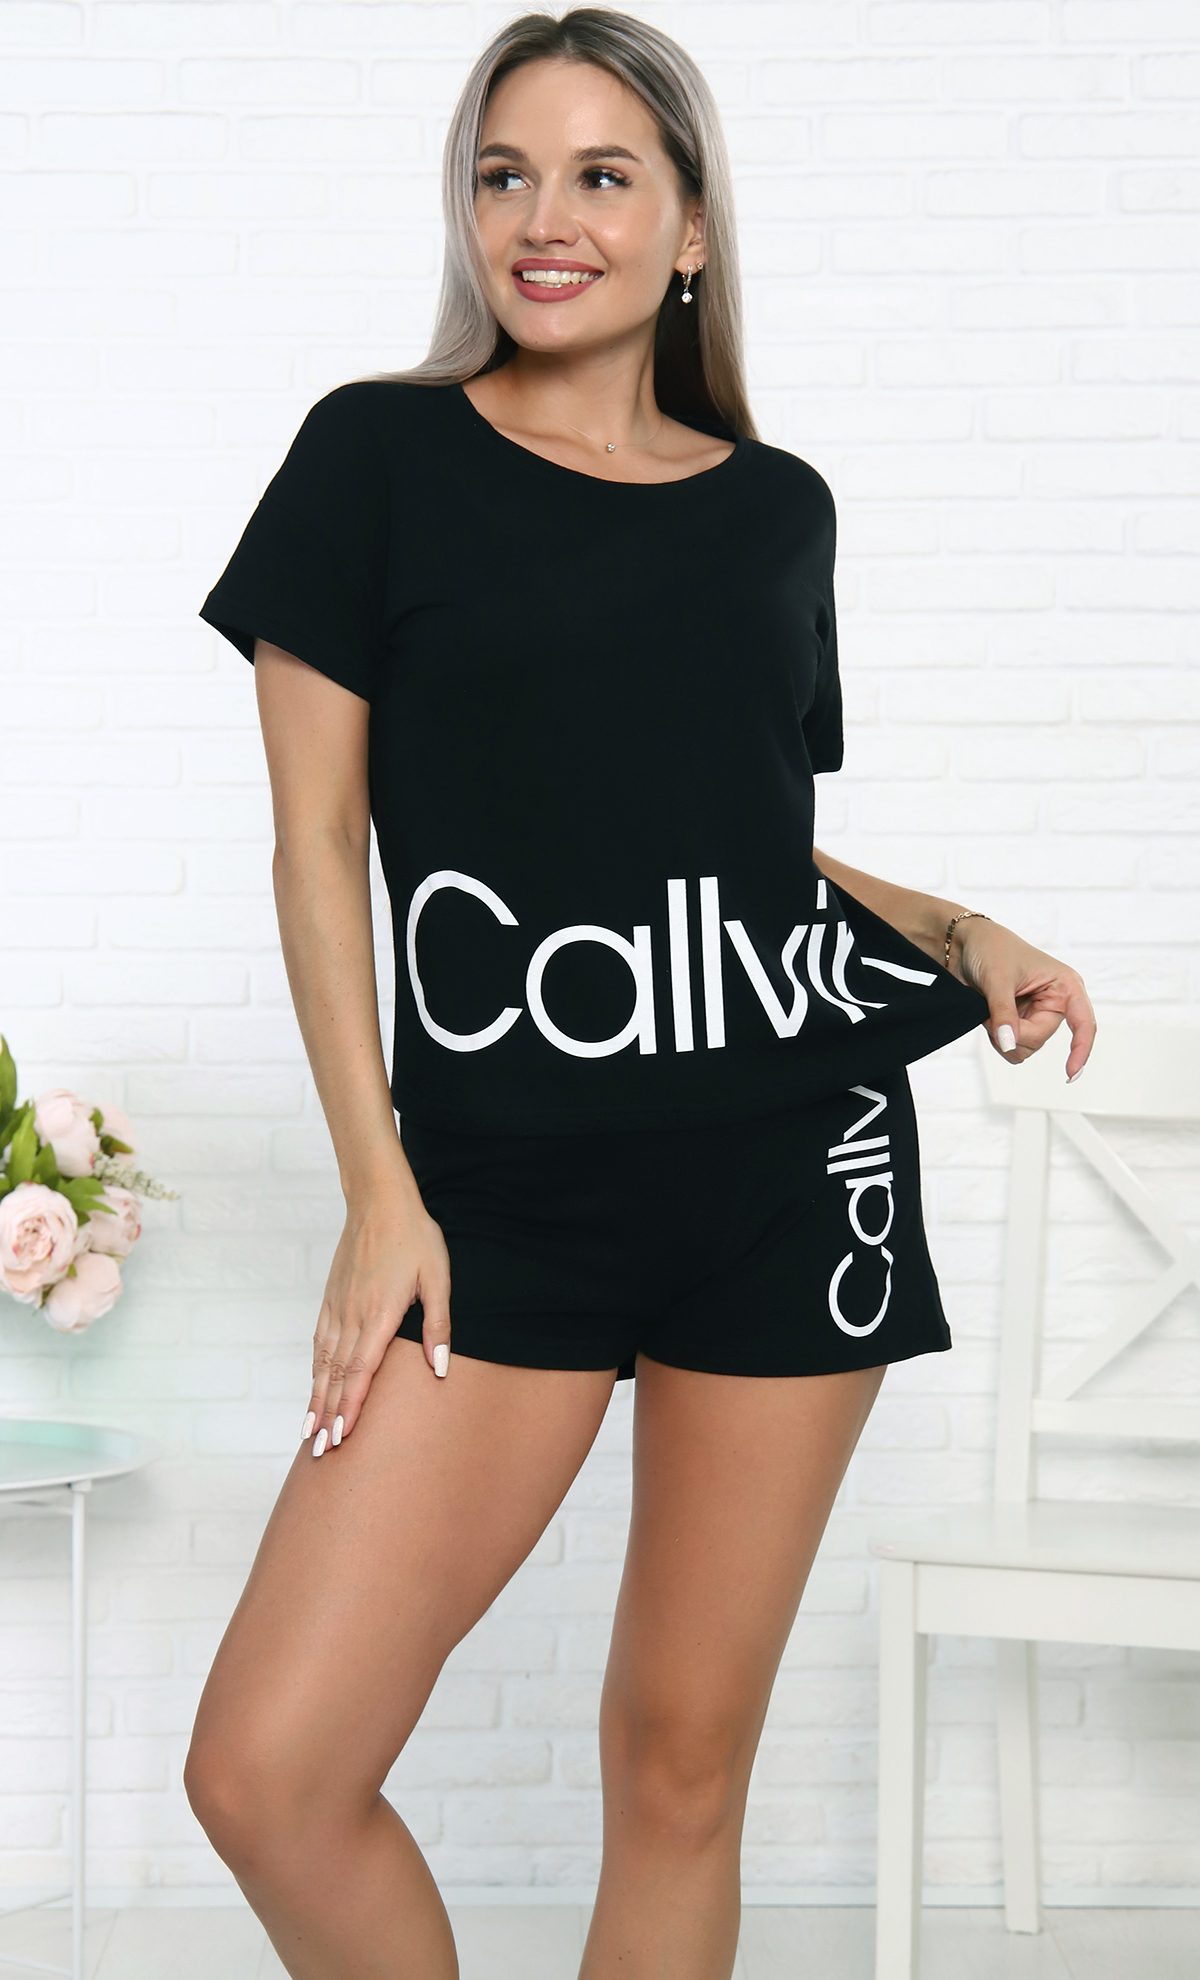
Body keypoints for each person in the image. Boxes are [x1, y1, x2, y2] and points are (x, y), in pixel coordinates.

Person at [184, 11, 1095, 1977]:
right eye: (505, 174)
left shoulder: (779, 509)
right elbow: (316, 846)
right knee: (268, 1771)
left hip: (793, 1174)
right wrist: (378, 1190)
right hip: (499, 1195)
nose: (547, 218)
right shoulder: (375, 458)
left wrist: (962, 933)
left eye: (602, 175)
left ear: (689, 228)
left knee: (681, 1769)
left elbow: (732, 844)